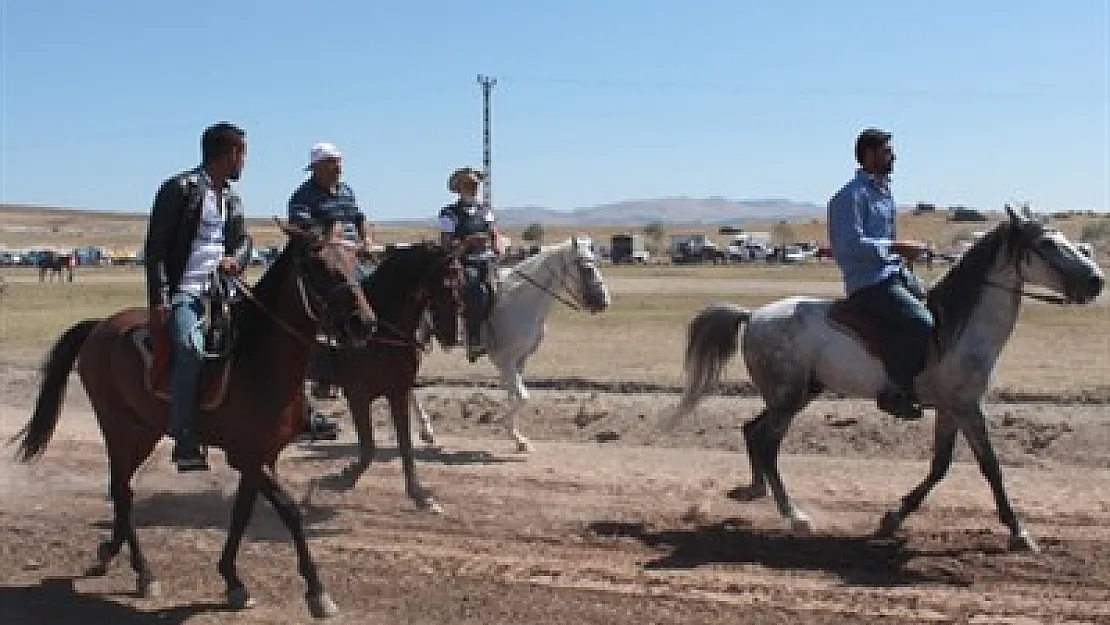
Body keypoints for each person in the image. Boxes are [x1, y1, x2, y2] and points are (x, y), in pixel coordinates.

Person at [144, 122, 252, 471]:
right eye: (243, 154)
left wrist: (237, 257)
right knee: (190, 348)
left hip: (227, 290)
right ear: (230, 153)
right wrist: (160, 298)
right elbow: (156, 249)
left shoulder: (232, 198)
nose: (244, 163)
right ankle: (185, 436)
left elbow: (244, 240)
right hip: (187, 290)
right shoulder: (180, 188)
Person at [827, 127, 933, 420]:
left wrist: (907, 256)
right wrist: (898, 246)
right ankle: (894, 390)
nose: (893, 156)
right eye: (887, 151)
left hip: (893, 276)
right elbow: (850, 244)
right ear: (869, 155)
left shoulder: (885, 195)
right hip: (868, 283)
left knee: (939, 303)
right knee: (920, 323)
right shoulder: (849, 197)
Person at [288, 141, 377, 439]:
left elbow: (360, 218)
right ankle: (329, 370)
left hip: (353, 258)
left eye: (339, 162)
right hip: (323, 264)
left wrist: (365, 239)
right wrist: (331, 240)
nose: (338, 168)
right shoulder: (302, 197)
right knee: (338, 300)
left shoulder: (347, 191)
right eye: (331, 163)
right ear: (316, 168)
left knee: (380, 290)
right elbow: (304, 231)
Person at [439, 167, 502, 362]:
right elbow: (446, 244)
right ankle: (473, 338)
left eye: (475, 185)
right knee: (476, 289)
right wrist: (468, 242)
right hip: (463, 262)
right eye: (468, 185)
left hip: (487, 259)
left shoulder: (485, 211)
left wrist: (497, 244)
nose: (473, 188)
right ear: (459, 188)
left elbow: (494, 233)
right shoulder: (449, 213)